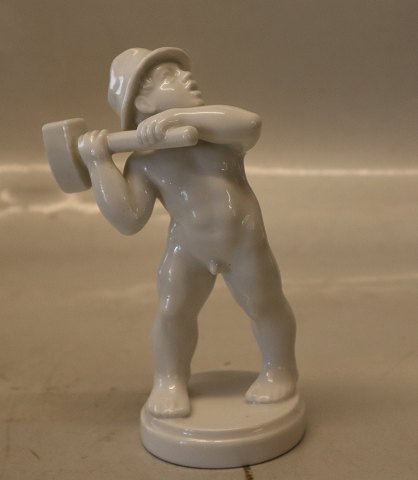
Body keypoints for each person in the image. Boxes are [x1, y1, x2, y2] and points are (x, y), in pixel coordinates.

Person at [78, 47, 299, 418]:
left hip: (244, 243)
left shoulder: (220, 137)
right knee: (173, 313)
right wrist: (99, 163)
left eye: (181, 71)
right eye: (169, 76)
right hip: (188, 249)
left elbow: (250, 123)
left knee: (267, 305)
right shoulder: (144, 162)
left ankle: (280, 370)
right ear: (142, 101)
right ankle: (169, 380)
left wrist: (178, 116)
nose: (186, 76)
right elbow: (128, 219)